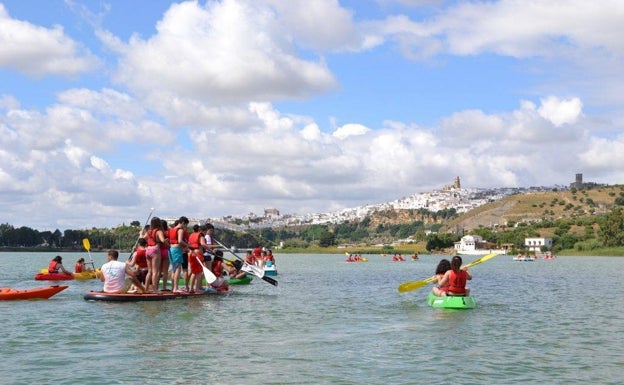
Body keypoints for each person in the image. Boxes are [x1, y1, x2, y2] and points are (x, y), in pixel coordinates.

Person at [169, 216, 189, 293]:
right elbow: (180, 241)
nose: (185, 227)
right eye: (186, 225)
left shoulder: (172, 229)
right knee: (178, 269)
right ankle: (175, 288)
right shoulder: (180, 230)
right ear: (183, 223)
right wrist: (187, 245)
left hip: (171, 250)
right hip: (177, 250)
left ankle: (173, 288)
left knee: (174, 269)